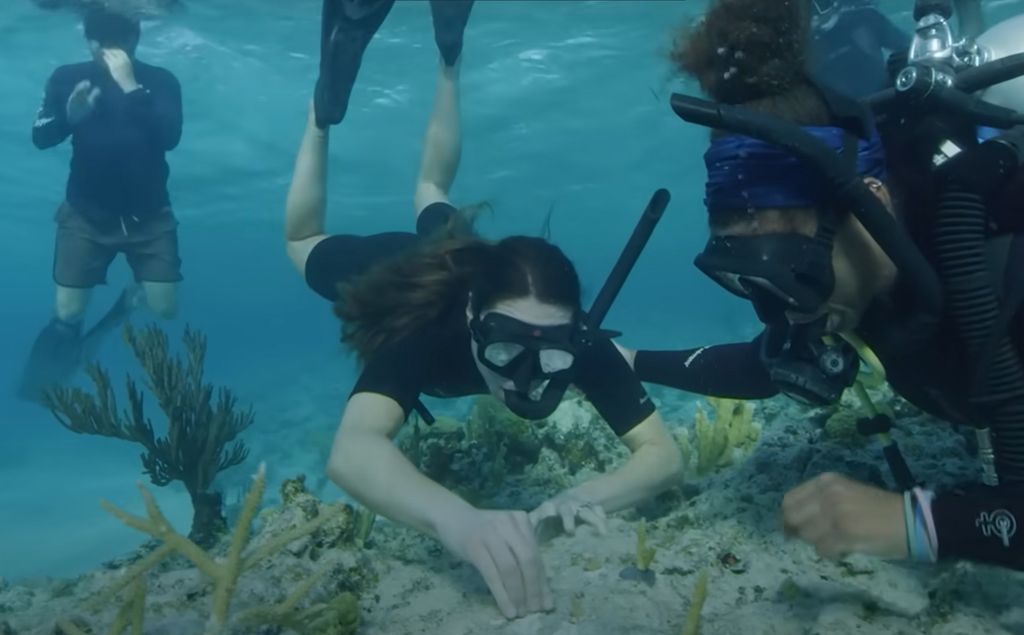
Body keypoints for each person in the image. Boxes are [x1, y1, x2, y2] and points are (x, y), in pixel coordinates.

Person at [284, 0, 683, 619]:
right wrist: (459, 521)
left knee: (432, 192)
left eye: (549, 354)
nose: (523, 377)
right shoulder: (425, 325)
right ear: (472, 321)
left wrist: (583, 496)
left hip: (487, 262)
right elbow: (353, 451)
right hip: (417, 270)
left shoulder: (573, 339)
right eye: (502, 350)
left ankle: (449, 57)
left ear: (573, 332)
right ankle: (323, 108)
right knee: (299, 239)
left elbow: (663, 456)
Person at [623, 0, 1024, 570]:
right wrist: (628, 359)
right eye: (752, 282)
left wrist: (921, 525)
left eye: (794, 272)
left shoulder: (1000, 261)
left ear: (871, 205)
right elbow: (765, 365)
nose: (787, 314)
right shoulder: (841, 288)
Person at [19, 7, 183, 401]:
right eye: (100, 46)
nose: (108, 53)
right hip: (85, 215)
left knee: (164, 309)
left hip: (149, 215)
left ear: (135, 40)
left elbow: (169, 137)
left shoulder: (160, 81)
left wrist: (130, 88)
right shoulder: (66, 77)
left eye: (118, 45)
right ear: (88, 42)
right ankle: (45, 382)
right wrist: (69, 118)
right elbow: (41, 137)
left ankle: (123, 309)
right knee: (67, 315)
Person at [808, 0, 910, 99]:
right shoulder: (804, 47)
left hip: (883, 98)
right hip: (839, 111)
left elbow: (910, 51)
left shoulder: (866, 19)